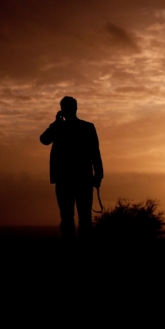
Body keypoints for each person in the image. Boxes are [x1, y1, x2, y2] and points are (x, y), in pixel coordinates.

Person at [40, 96, 103, 240]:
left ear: (62, 109)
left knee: (69, 218)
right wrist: (98, 175)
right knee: (82, 218)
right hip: (80, 179)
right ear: (76, 108)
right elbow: (96, 154)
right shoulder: (86, 127)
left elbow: (44, 140)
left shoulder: (61, 128)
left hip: (67, 180)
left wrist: (98, 175)